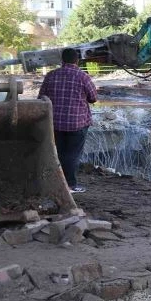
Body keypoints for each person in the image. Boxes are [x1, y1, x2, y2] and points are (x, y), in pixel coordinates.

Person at [37, 48, 97, 193]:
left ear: (62, 60)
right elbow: (93, 98)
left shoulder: (51, 75)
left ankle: (55, 183)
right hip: (77, 124)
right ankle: (70, 185)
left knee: (58, 153)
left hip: (55, 124)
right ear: (77, 60)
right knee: (72, 155)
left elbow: (41, 98)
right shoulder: (83, 77)